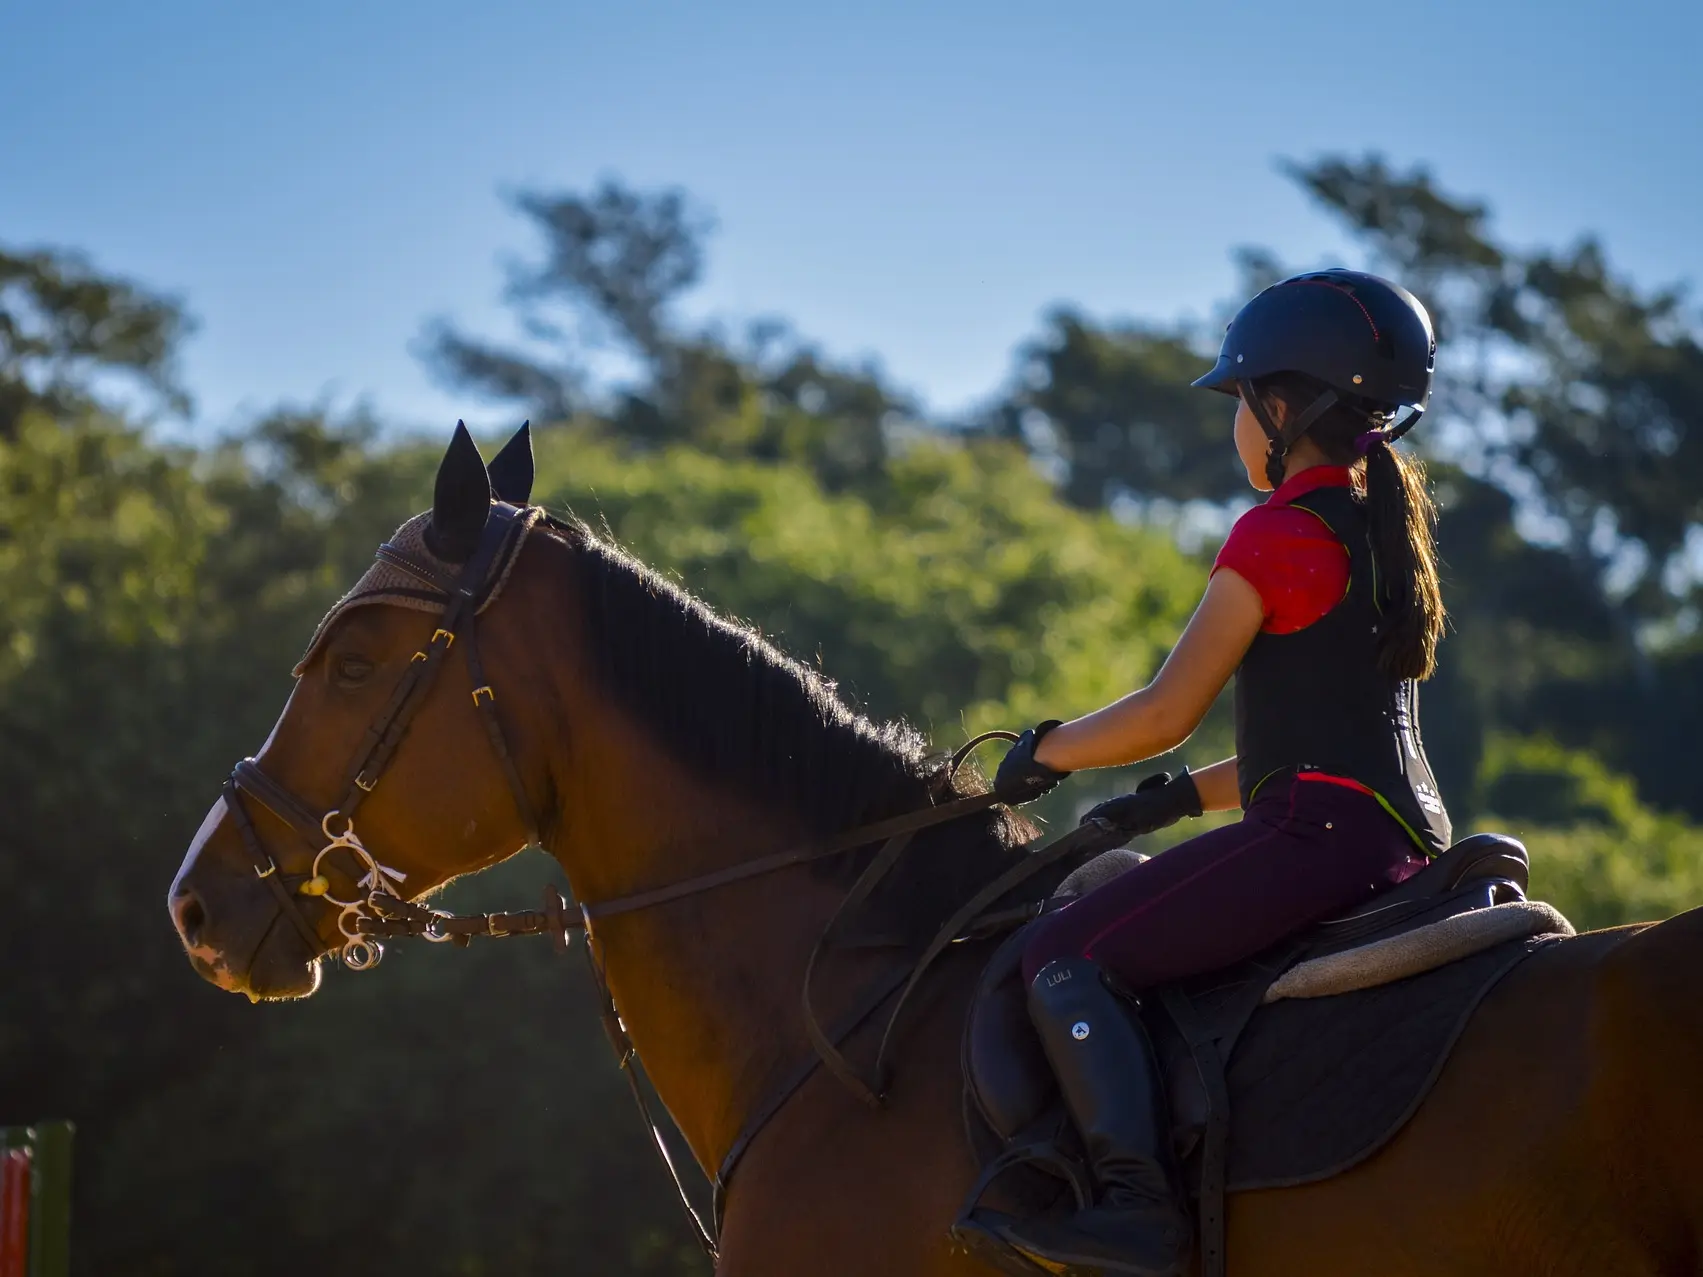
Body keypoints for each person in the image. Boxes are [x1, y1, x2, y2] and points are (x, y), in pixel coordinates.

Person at [960, 269, 1452, 1277]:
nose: (1234, 423)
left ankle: (1139, 1213)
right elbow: (1325, 742)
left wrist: (1038, 750)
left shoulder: (1275, 533)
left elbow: (1159, 711)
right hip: (1400, 836)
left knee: (1061, 957)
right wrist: (1182, 795)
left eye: (1237, 401)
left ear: (1279, 407)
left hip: (1315, 842)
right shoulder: (1384, 534)